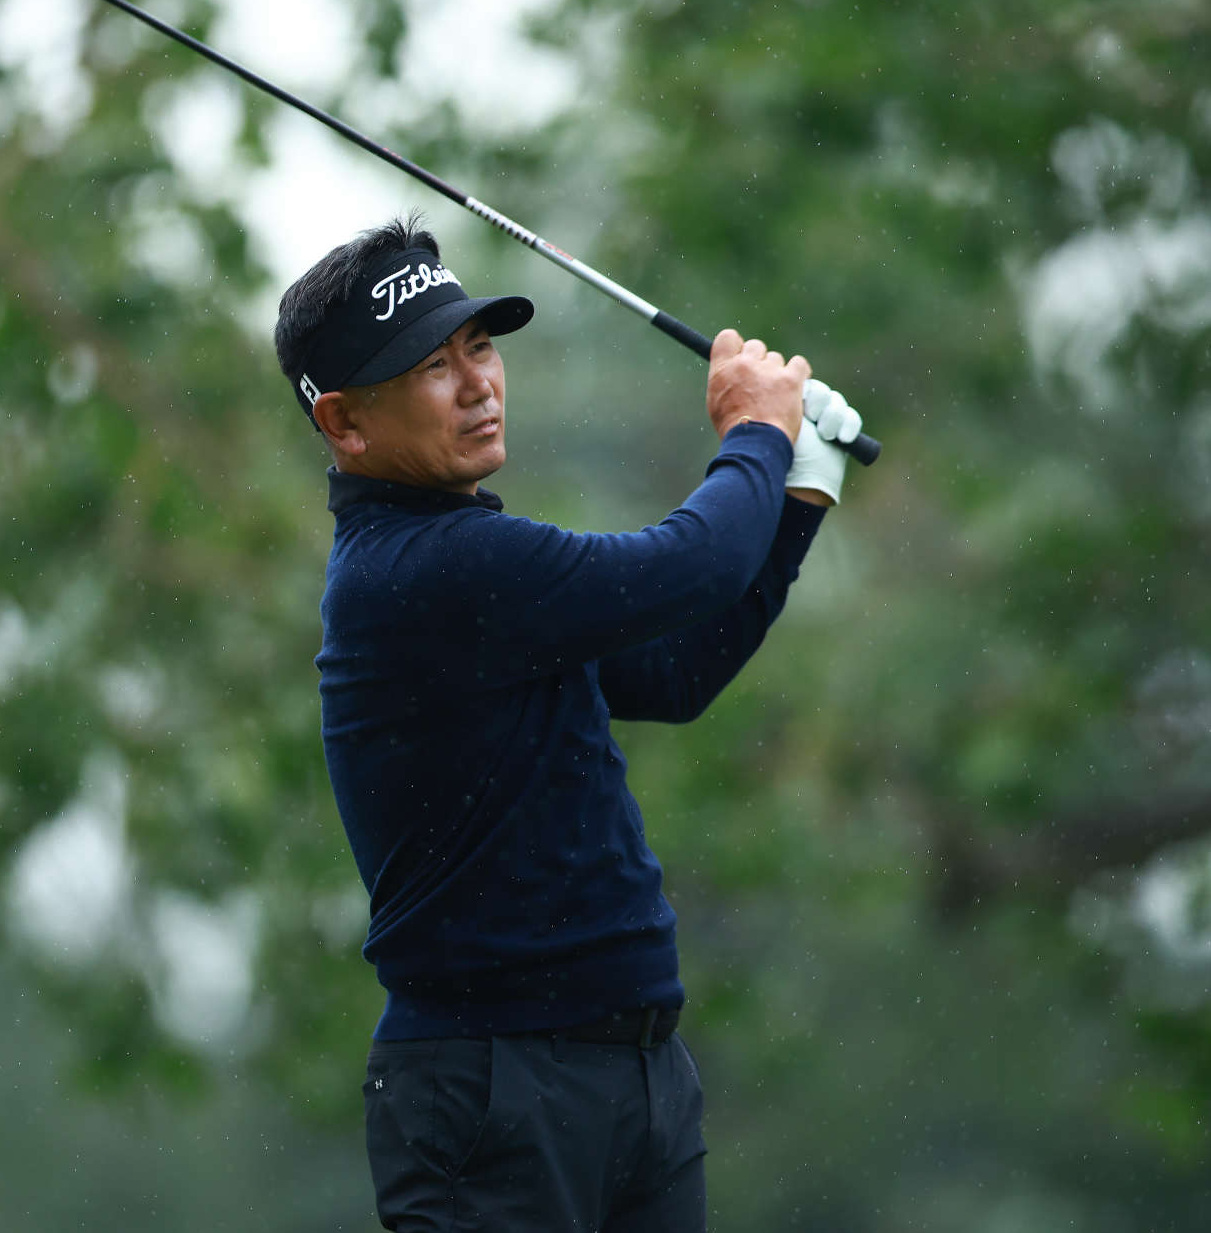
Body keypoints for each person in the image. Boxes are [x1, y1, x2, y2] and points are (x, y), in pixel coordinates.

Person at [273, 215, 863, 1233]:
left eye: (480, 347)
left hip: (635, 1079)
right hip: (492, 1096)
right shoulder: (419, 571)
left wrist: (801, 491)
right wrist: (757, 434)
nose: (478, 384)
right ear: (346, 425)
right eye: (432, 367)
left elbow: (675, 671)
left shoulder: (477, 573)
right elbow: (690, 566)